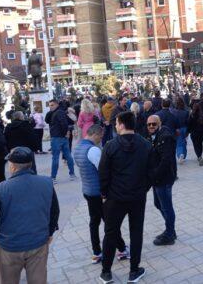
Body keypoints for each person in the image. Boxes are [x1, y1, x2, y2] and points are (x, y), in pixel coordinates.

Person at [0, 147, 59, 284]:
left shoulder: (1, 189)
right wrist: (50, 232)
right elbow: (54, 211)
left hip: (9, 247)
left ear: (12, 166)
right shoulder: (47, 183)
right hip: (38, 243)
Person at [98, 111, 153, 283]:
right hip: (137, 197)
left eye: (116, 123)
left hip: (115, 198)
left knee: (110, 233)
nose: (115, 125)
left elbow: (103, 174)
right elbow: (151, 172)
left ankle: (106, 272)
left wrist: (105, 194)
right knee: (136, 232)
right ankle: (134, 270)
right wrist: (144, 189)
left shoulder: (110, 146)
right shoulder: (145, 144)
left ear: (122, 124)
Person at [73, 125, 129, 265]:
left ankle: (96, 252)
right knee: (110, 222)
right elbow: (104, 171)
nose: (101, 139)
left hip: (87, 190)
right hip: (98, 192)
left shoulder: (78, 147)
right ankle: (122, 249)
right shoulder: (93, 150)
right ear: (96, 134)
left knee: (94, 222)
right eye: (100, 136)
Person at [147, 115, 178, 246]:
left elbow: (166, 160)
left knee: (166, 206)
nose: (151, 126)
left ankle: (170, 234)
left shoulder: (165, 137)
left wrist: (154, 175)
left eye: (154, 124)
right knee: (158, 204)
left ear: (159, 123)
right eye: (149, 124)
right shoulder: (154, 136)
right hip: (157, 178)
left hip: (164, 178)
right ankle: (170, 230)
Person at [45, 99, 76, 183]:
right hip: (60, 137)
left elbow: (65, 124)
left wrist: (65, 133)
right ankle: (72, 174)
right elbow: (47, 120)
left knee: (57, 157)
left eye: (52, 105)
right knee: (67, 156)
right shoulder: (57, 112)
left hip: (57, 138)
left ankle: (53, 177)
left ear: (56, 104)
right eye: (49, 105)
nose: (50, 107)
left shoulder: (59, 112)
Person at [171, 98, 189, 164]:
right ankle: (184, 155)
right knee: (183, 142)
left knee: (179, 143)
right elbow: (188, 122)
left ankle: (180, 154)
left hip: (177, 129)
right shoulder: (186, 112)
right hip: (184, 128)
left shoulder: (173, 112)